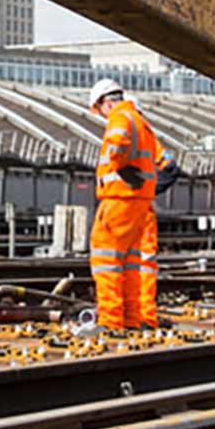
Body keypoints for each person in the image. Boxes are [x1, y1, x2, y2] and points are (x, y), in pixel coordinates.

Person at [88, 79, 174, 331]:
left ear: (106, 102)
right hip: (138, 201)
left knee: (105, 257)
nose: (102, 115)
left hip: (119, 198)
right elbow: (162, 163)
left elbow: (116, 145)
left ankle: (111, 321)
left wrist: (118, 166)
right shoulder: (140, 122)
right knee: (131, 262)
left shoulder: (120, 116)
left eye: (99, 109)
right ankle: (132, 319)